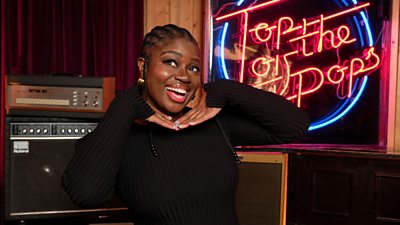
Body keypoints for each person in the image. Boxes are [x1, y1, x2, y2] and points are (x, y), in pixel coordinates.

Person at [62, 24, 310, 225]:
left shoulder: (213, 125)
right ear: (143, 66)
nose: (183, 75)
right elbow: (86, 194)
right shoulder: (120, 135)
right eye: (171, 62)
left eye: (193, 68)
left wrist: (225, 89)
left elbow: (294, 126)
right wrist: (128, 102)